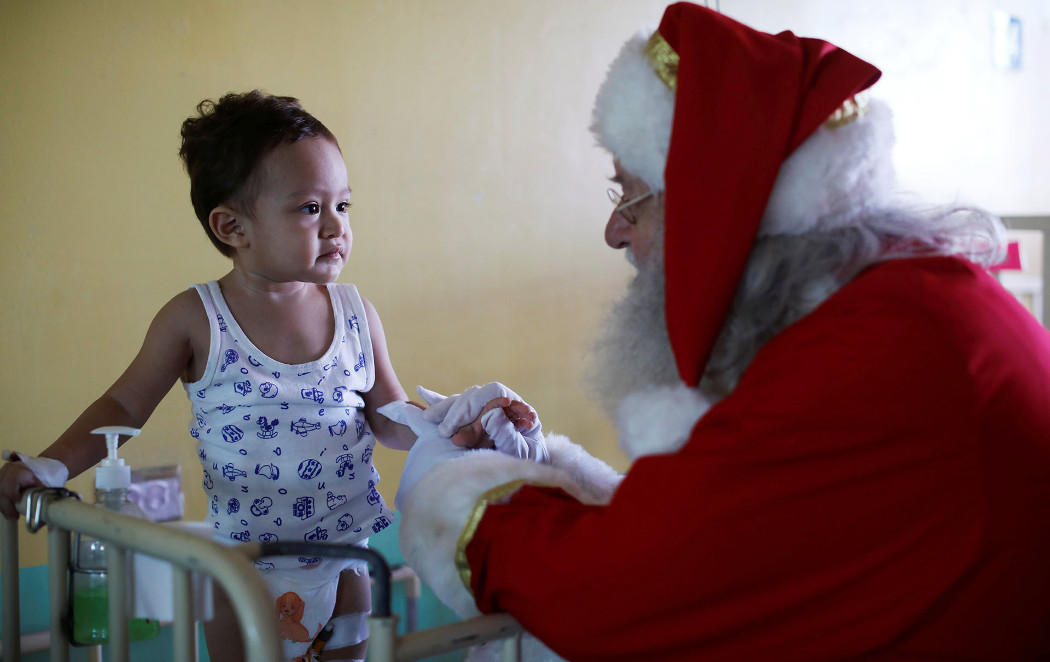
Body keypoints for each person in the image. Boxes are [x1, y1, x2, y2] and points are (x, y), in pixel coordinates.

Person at [390, 3, 1050, 661]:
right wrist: (552, 471)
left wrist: (457, 498)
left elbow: (636, 592)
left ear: (714, 209)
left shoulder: (870, 353)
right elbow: (730, 531)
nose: (614, 230)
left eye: (631, 196)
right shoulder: (896, 302)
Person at [0, 90, 418, 662]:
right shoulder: (197, 318)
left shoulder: (355, 312)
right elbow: (123, 407)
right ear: (232, 227)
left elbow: (391, 418)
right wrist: (48, 464)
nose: (335, 227)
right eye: (309, 208)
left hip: (347, 554)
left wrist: (455, 429)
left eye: (343, 206)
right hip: (242, 568)